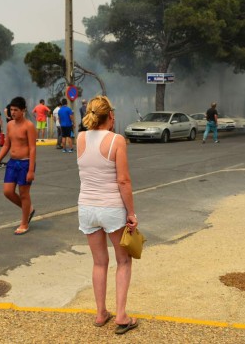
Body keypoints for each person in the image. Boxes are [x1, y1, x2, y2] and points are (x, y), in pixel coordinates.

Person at [76, 95, 139, 335]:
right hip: (111, 208)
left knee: (99, 262)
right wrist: (131, 212)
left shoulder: (80, 138)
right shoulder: (116, 140)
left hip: (87, 208)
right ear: (111, 116)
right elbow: (123, 180)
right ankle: (121, 315)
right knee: (123, 260)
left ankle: (101, 312)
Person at [0, 97, 37, 235]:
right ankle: (28, 209)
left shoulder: (29, 126)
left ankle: (24, 223)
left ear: (23, 110)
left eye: (16, 110)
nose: (13, 112)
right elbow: (6, 144)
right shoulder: (10, 125)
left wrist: (30, 170)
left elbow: (32, 148)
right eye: (11, 110)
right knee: (8, 191)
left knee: (24, 194)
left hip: (25, 163)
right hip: (12, 163)